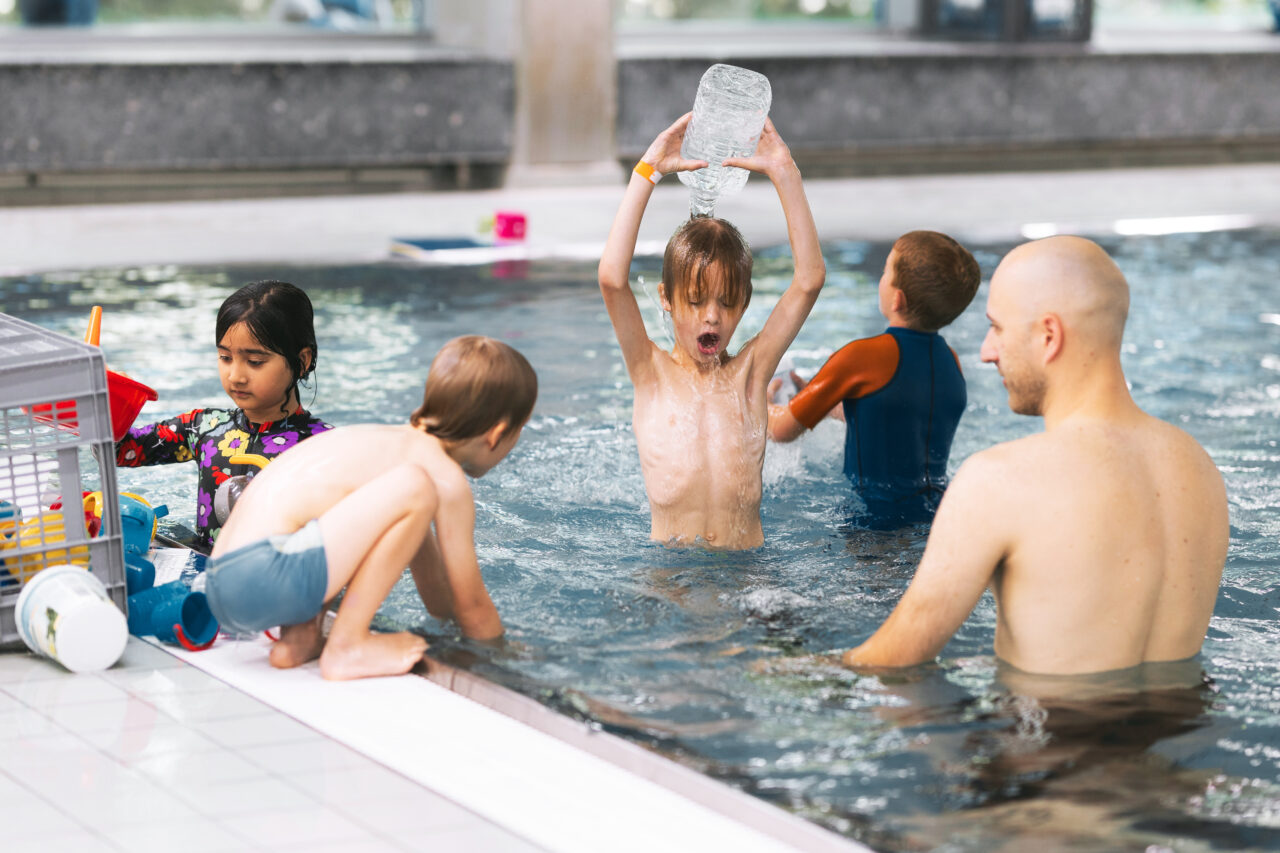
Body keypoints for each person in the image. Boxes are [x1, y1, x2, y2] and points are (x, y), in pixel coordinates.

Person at [842, 235, 1229, 675]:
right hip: (1181, 734)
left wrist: (773, 666)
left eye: (997, 328)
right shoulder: (1198, 467)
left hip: (1045, 740)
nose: (987, 352)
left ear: (1049, 335)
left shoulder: (1000, 479)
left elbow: (890, 662)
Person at [207, 335, 536, 681]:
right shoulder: (439, 478)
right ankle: (347, 646)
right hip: (264, 575)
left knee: (368, 500)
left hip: (223, 582)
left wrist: (448, 628)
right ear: (497, 434)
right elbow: (471, 604)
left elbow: (438, 594)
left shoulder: (382, 444)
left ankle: (299, 639)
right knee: (415, 484)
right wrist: (505, 660)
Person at [598, 113, 826, 549]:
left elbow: (809, 280)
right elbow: (612, 279)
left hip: (747, 579)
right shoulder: (649, 372)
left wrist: (784, 170)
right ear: (666, 297)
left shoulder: (751, 376)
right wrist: (648, 170)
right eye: (697, 300)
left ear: (744, 302)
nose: (712, 317)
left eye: (726, 302)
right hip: (670, 580)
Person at [767, 230, 981, 528]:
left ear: (897, 299)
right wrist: (823, 404)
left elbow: (780, 430)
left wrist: (757, 402)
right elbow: (893, 418)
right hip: (938, 521)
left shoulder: (861, 357)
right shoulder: (952, 361)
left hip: (873, 529)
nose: (880, 277)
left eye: (885, 271)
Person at [115, 280, 332, 553]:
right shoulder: (205, 428)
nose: (235, 376)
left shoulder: (325, 448)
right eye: (225, 357)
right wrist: (111, 401)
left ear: (301, 361)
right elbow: (119, 450)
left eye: (254, 362)